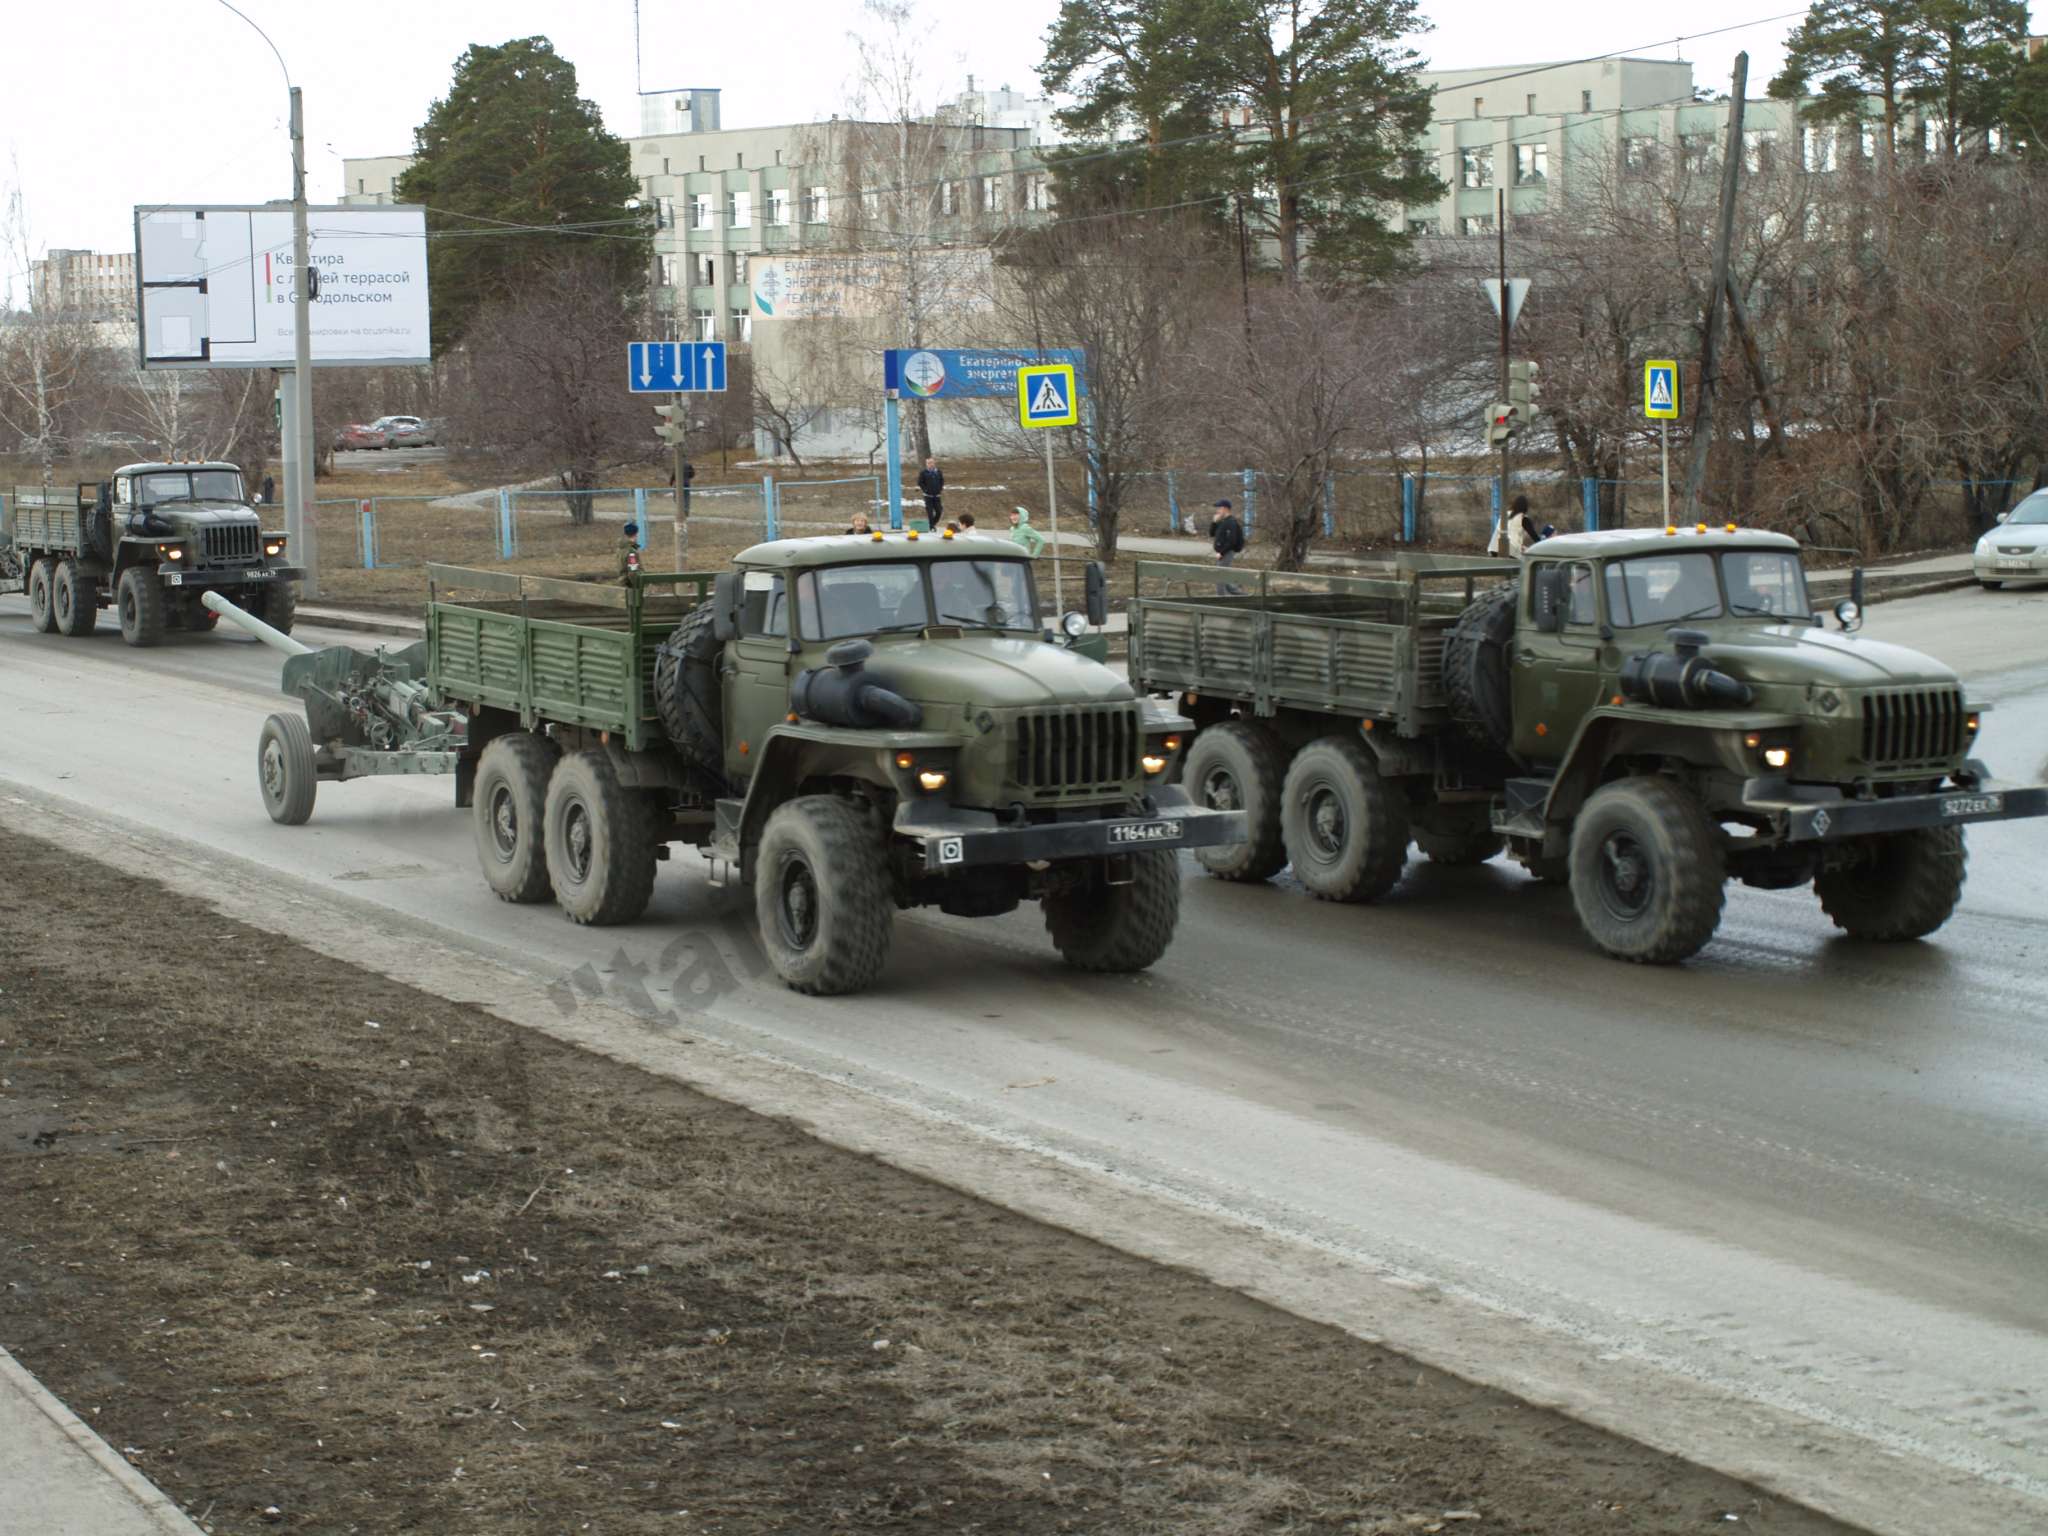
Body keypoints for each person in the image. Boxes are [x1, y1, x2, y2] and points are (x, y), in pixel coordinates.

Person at [1210, 498, 1246, 593]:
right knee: (1224, 578)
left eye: (1219, 508)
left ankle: (1221, 600)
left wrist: (1221, 552)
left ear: (1225, 509)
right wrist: (1214, 522)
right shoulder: (1222, 521)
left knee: (1220, 576)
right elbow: (1212, 534)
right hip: (1221, 552)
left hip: (1227, 552)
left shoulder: (1231, 522)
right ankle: (1240, 595)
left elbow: (1232, 541)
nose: (1217, 510)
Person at [917, 456, 945, 530]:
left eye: (931, 462)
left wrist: (940, 489)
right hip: (928, 496)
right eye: (928, 463)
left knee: (939, 511)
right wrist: (925, 490)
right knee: (930, 512)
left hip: (937, 496)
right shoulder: (923, 472)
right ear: (926, 464)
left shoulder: (938, 472)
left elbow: (942, 481)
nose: (930, 464)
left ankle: (931, 524)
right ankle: (932, 526)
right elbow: (920, 482)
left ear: (934, 463)